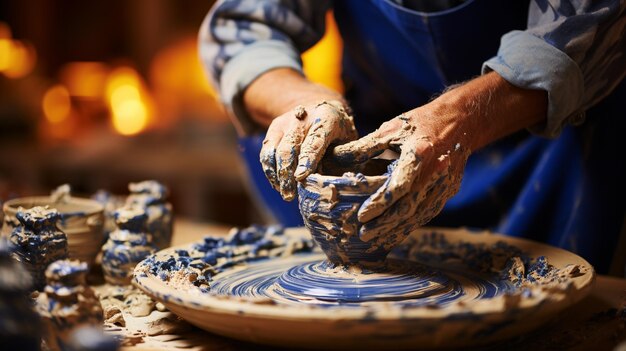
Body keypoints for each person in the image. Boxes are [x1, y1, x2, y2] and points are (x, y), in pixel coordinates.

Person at [199, 0, 626, 274]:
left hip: (542, 151)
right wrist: (307, 101)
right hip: (374, 144)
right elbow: (241, 29)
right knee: (284, 142)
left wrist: (456, 119)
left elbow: (590, 26)